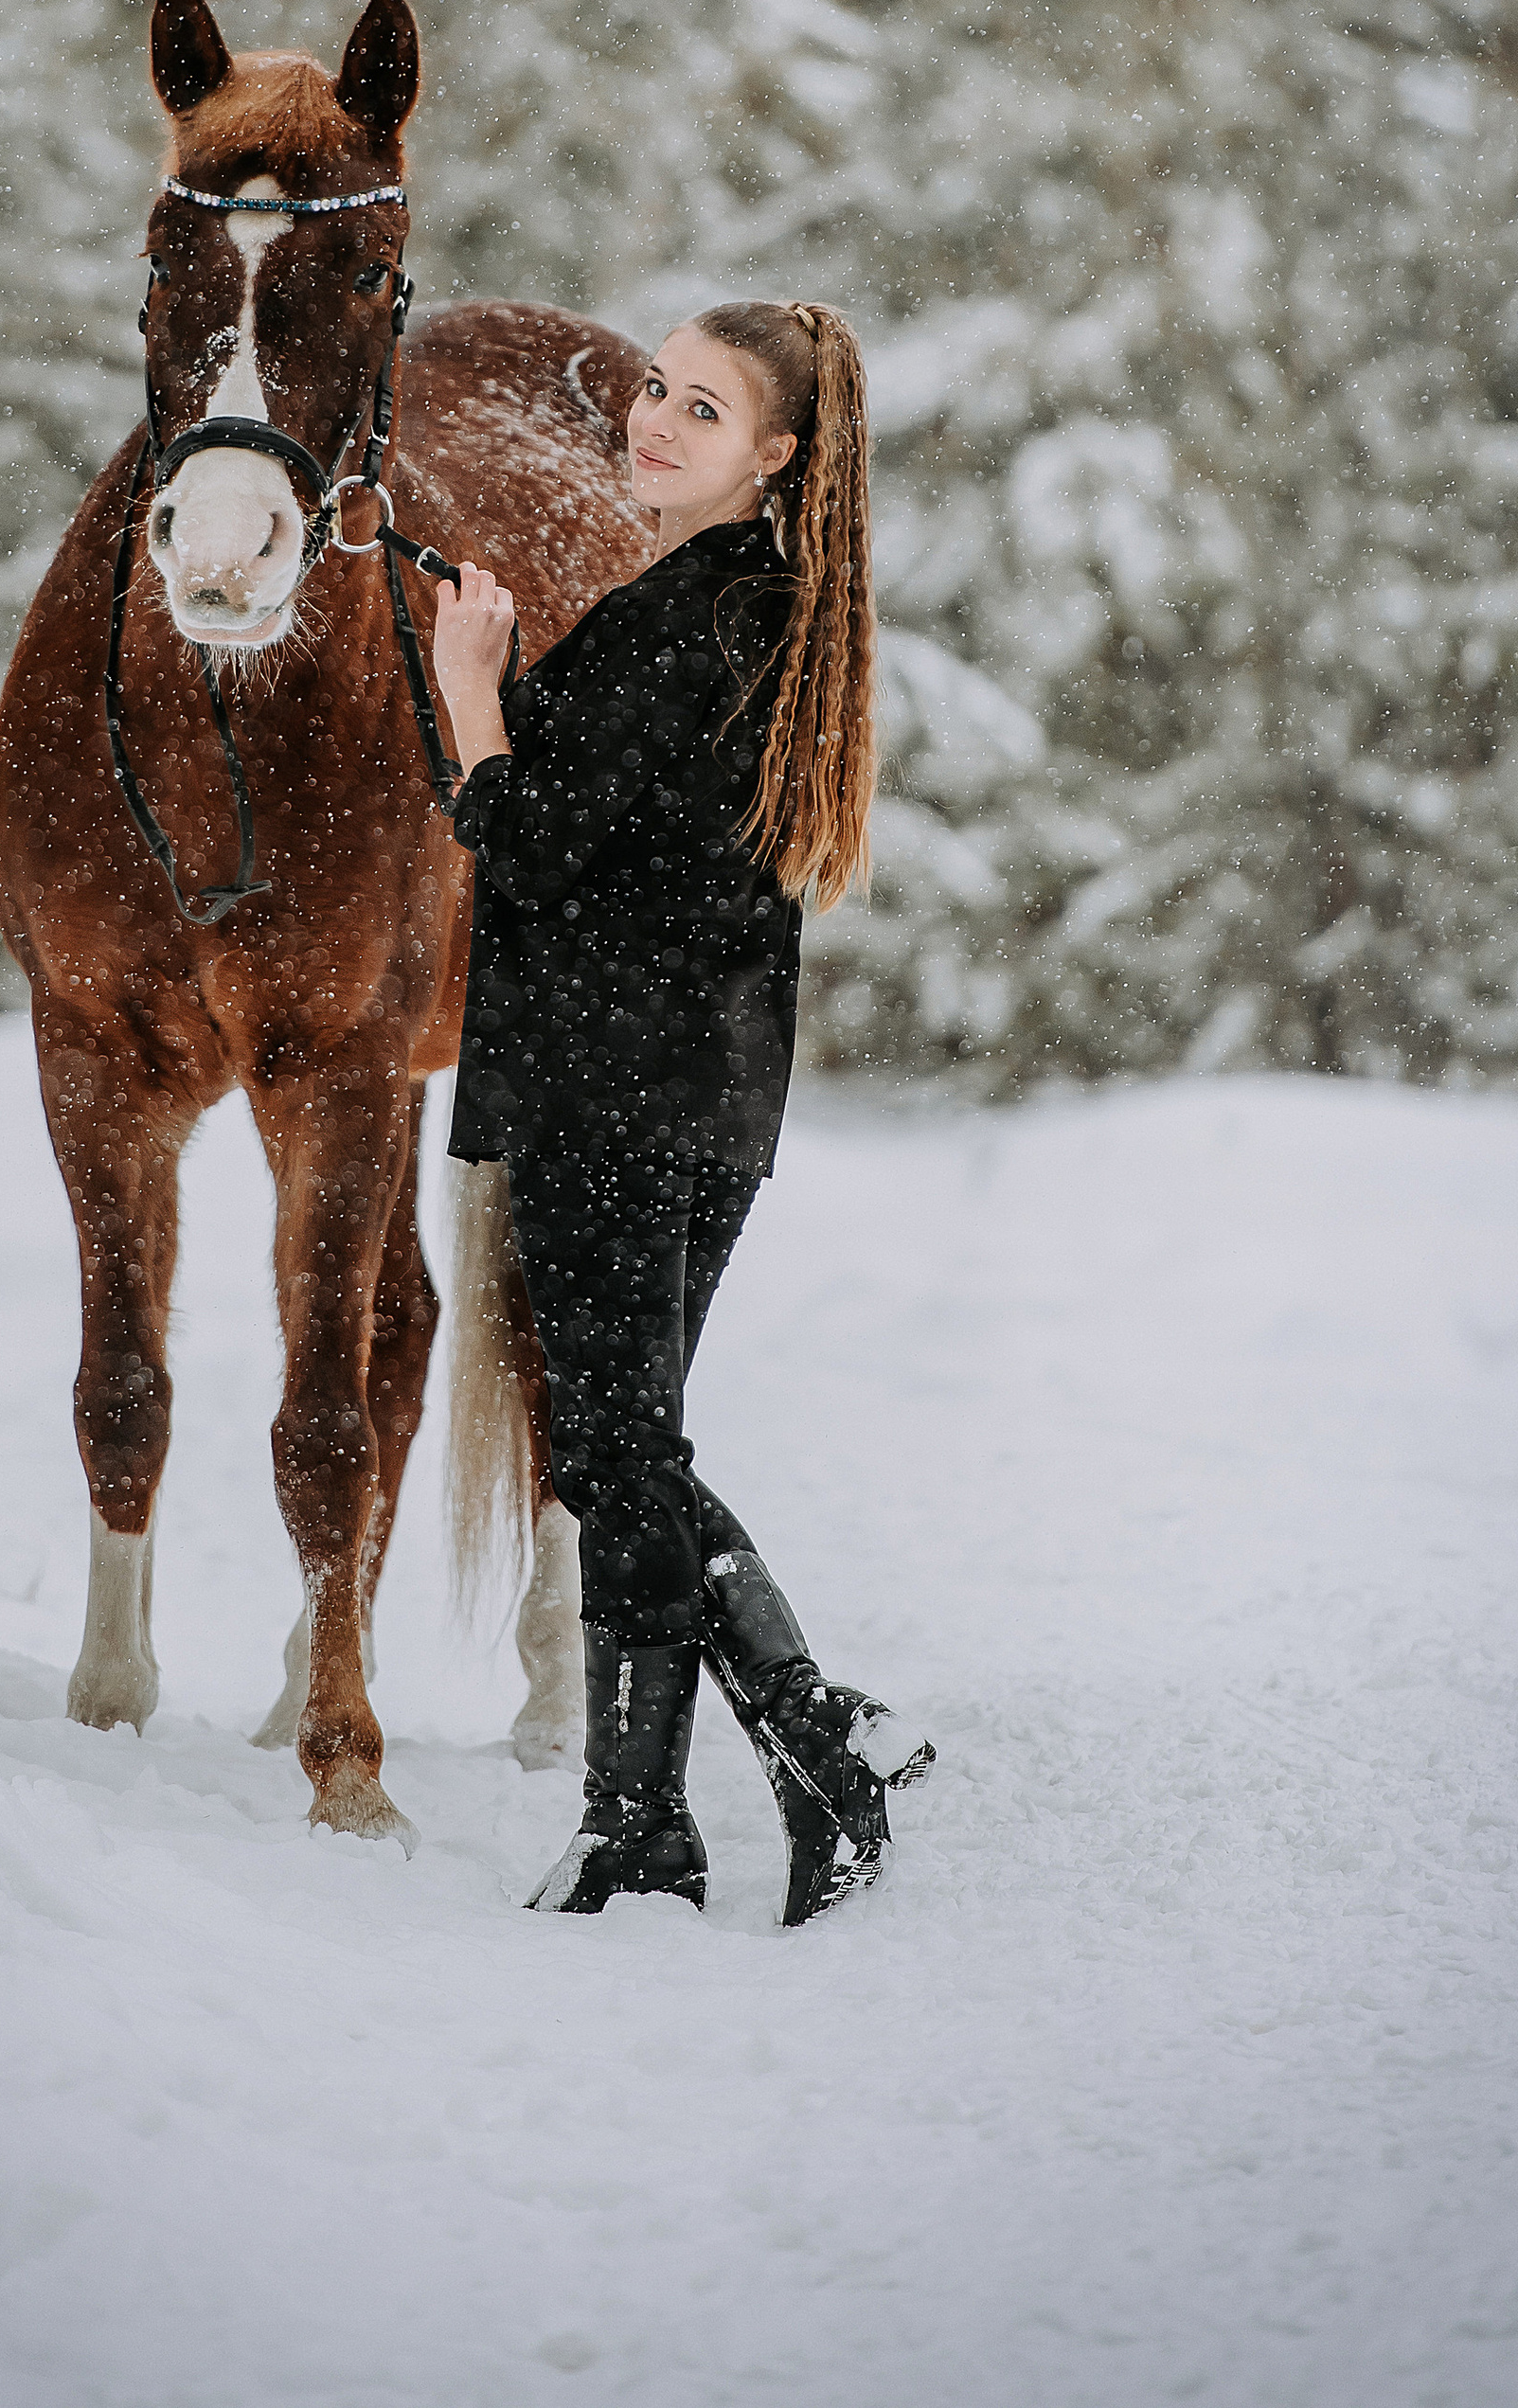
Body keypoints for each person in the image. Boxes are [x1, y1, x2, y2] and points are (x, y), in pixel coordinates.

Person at [431, 301, 932, 1922]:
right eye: (655, 387)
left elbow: (535, 843)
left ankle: (815, 1726)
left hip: (614, 1086)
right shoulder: (751, 609)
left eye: (700, 410)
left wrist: (472, 692)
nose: (652, 419)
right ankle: (634, 1819)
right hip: (695, 1092)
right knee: (620, 1449)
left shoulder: (695, 620)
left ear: (773, 455)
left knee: (616, 1450)